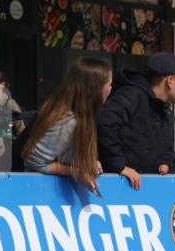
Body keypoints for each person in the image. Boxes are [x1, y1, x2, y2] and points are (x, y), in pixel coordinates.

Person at [97, 52, 175, 190]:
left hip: (146, 189)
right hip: (118, 186)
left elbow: (166, 144)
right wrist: (119, 166)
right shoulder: (132, 95)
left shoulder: (166, 108)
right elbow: (103, 123)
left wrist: (166, 162)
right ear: (170, 81)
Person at [22, 57, 112, 192]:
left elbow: (66, 154)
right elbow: (34, 162)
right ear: (96, 88)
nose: (111, 88)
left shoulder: (80, 115)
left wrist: (90, 163)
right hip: (41, 194)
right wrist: (77, 171)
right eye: (110, 84)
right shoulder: (69, 121)